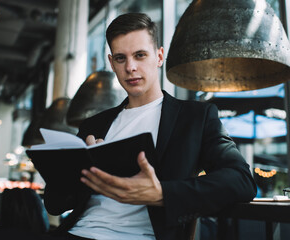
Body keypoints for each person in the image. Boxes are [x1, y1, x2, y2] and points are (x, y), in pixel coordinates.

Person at [44, 12, 257, 240]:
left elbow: (242, 180)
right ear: (111, 63)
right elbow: (54, 204)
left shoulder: (195, 117)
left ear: (159, 56)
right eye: (120, 58)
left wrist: (162, 193)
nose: (131, 67)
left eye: (140, 55)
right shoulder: (94, 125)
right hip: (75, 233)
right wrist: (78, 171)